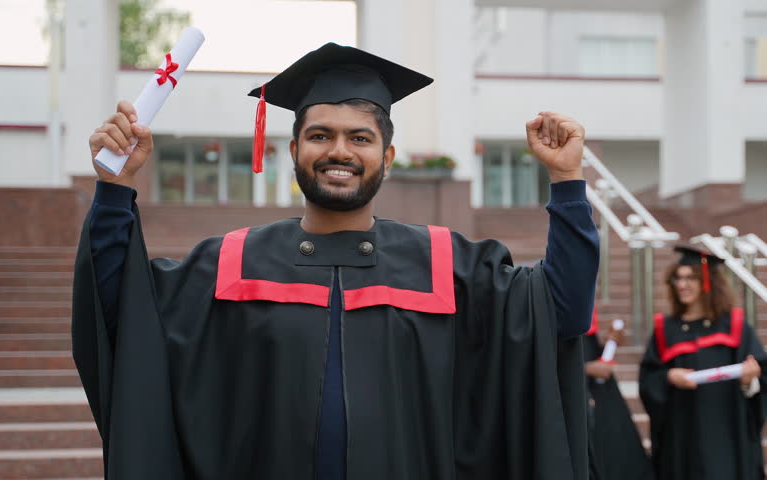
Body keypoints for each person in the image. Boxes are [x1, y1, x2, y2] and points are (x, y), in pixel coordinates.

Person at [72, 43, 600, 479]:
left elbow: (564, 311)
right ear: (294, 149)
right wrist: (115, 188)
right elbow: (123, 316)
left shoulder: (449, 265)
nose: (339, 151)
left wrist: (567, 182)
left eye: (360, 138)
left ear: (387, 158)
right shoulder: (230, 265)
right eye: (320, 135)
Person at [639, 245, 767, 480]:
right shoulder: (665, 329)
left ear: (708, 282)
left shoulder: (734, 325)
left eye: (691, 278)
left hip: (728, 430)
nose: (682, 284)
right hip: (682, 434)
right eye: (678, 277)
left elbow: (760, 374)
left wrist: (751, 381)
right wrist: (668, 377)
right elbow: (648, 378)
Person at [583, 311, 654, 480]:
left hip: (599, 392)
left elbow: (582, 347)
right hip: (575, 392)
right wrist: (585, 369)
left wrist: (607, 343)